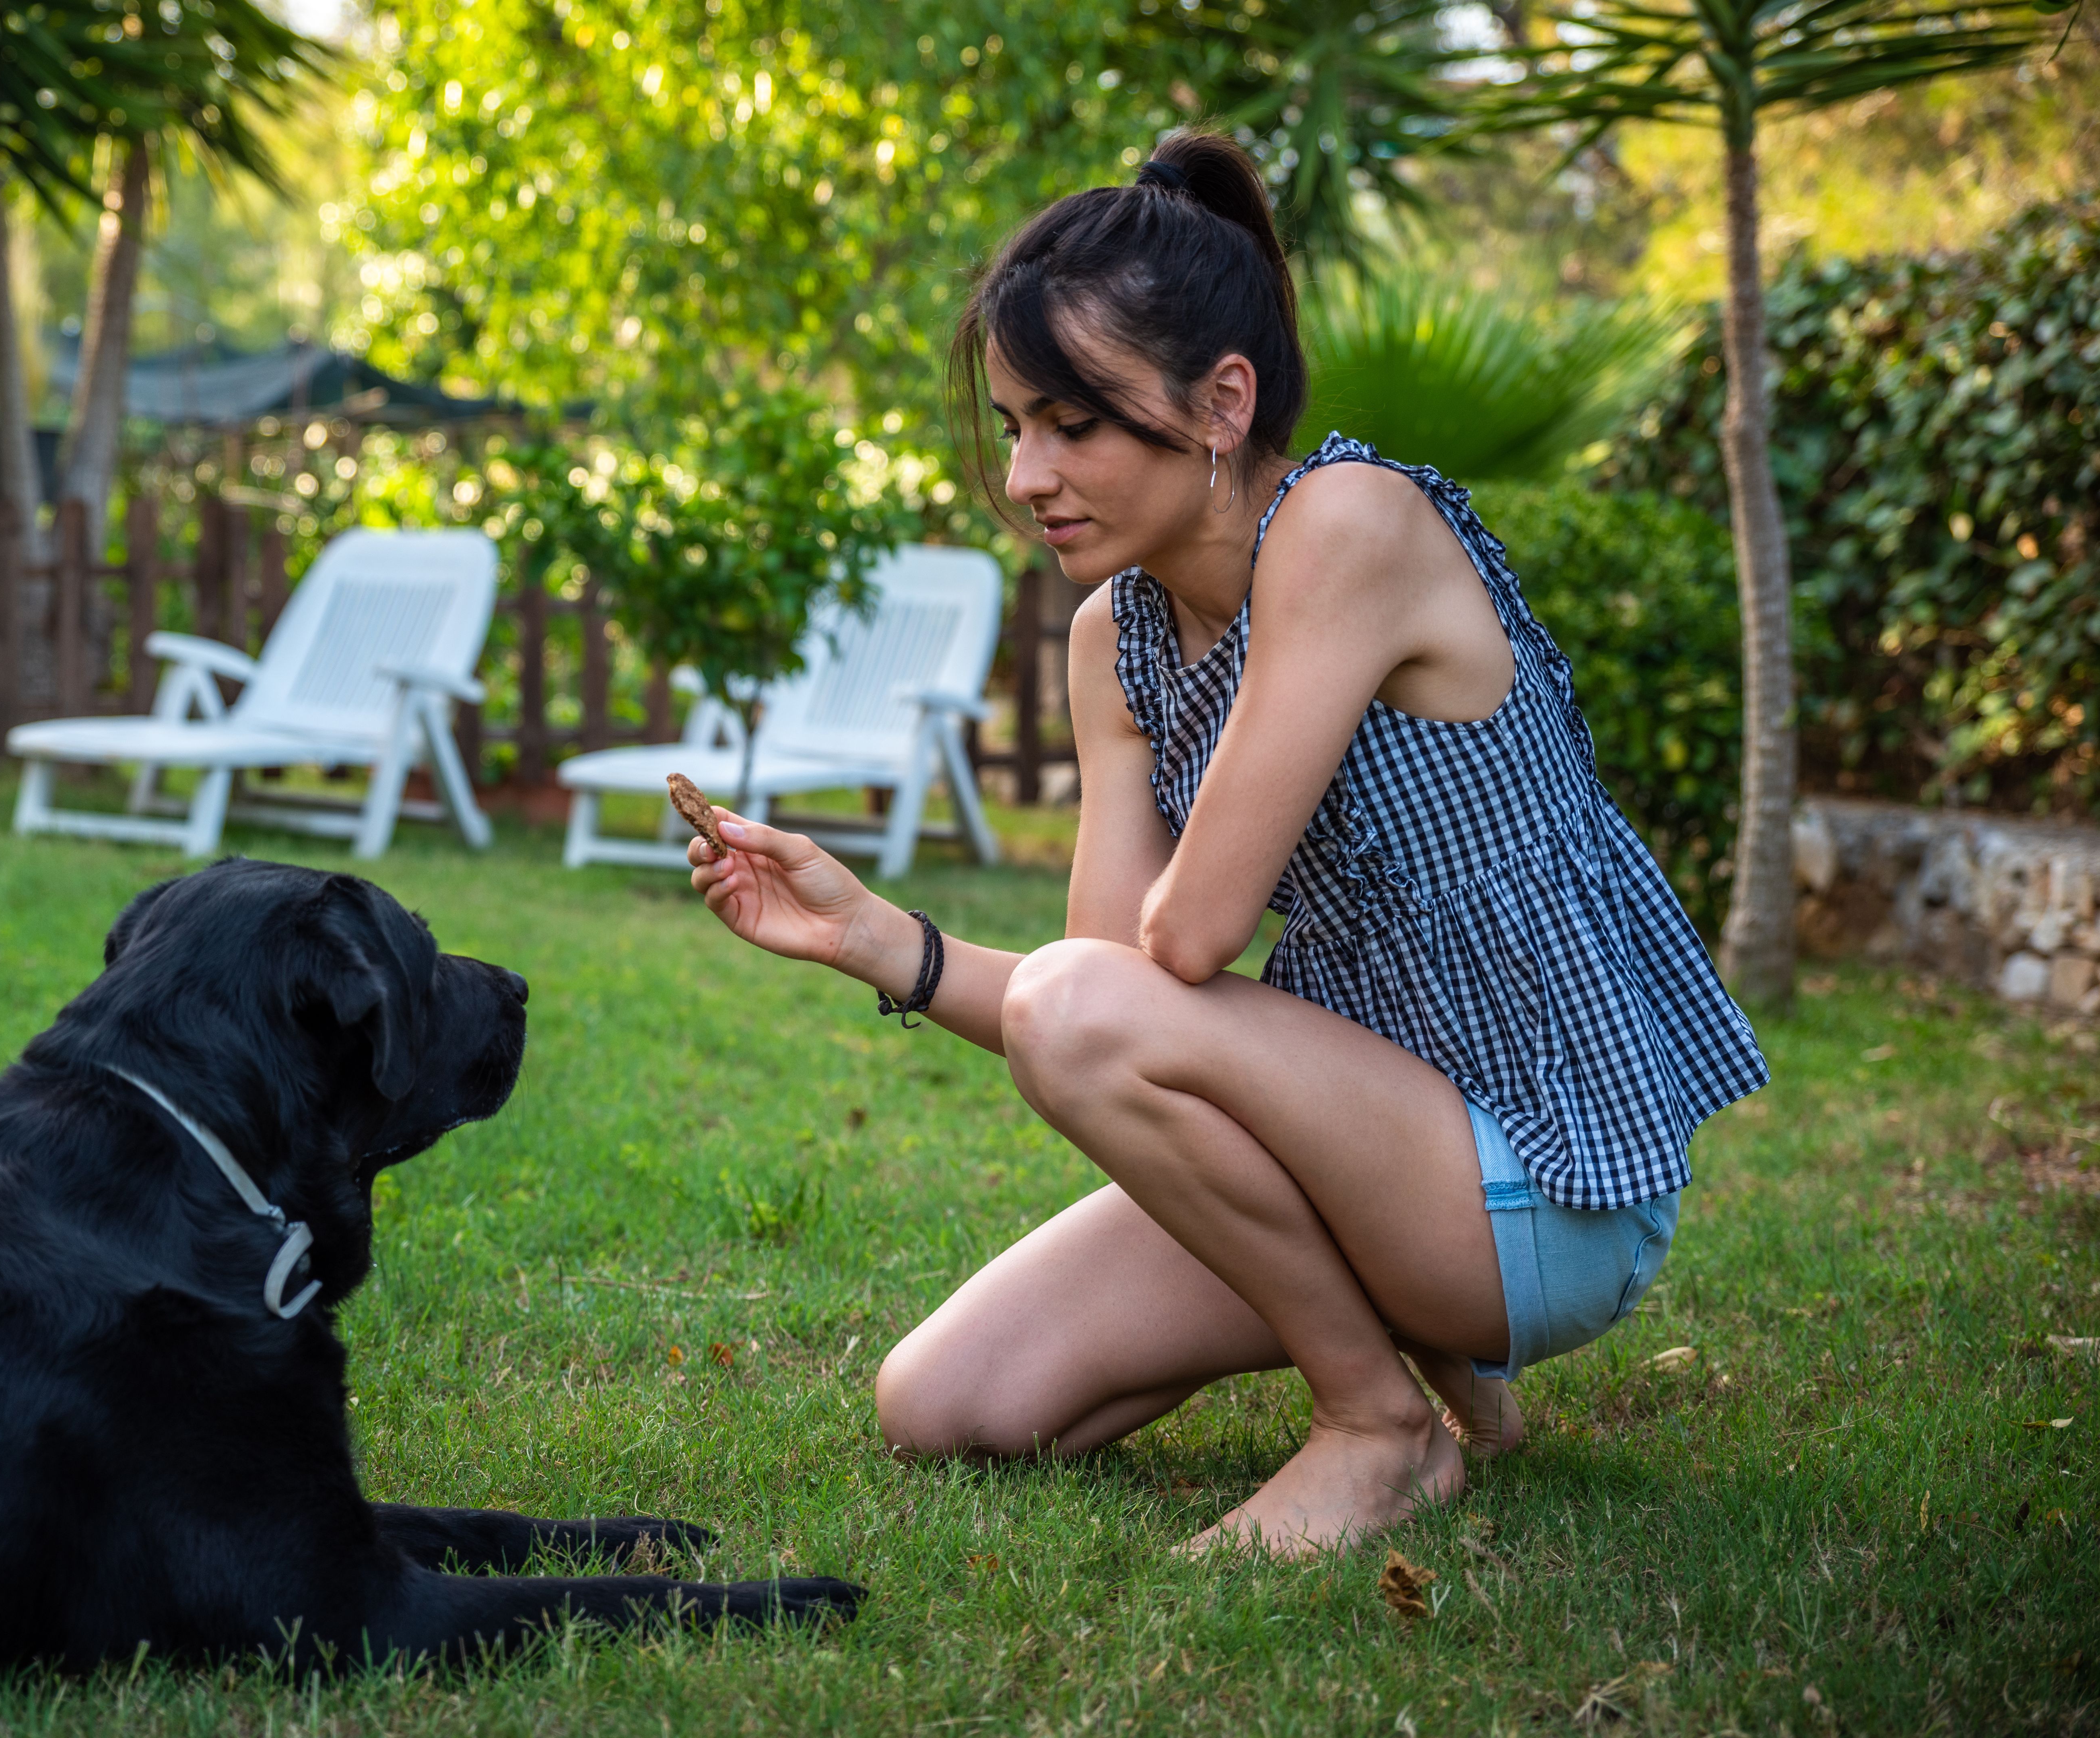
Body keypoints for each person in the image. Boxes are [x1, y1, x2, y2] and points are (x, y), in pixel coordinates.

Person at [684, 126, 1768, 1558]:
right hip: (1358, 1155)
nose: (1024, 474)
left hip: (1542, 1183)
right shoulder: (1112, 639)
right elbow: (1097, 995)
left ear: (1220, 403)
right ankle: (1431, 1371)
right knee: (945, 1403)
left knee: (1087, 1003)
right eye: (1015, 424)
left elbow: (1169, 954)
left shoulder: (1347, 526)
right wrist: (871, 937)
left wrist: (1094, 986)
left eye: (1072, 423)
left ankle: (1378, 1425)